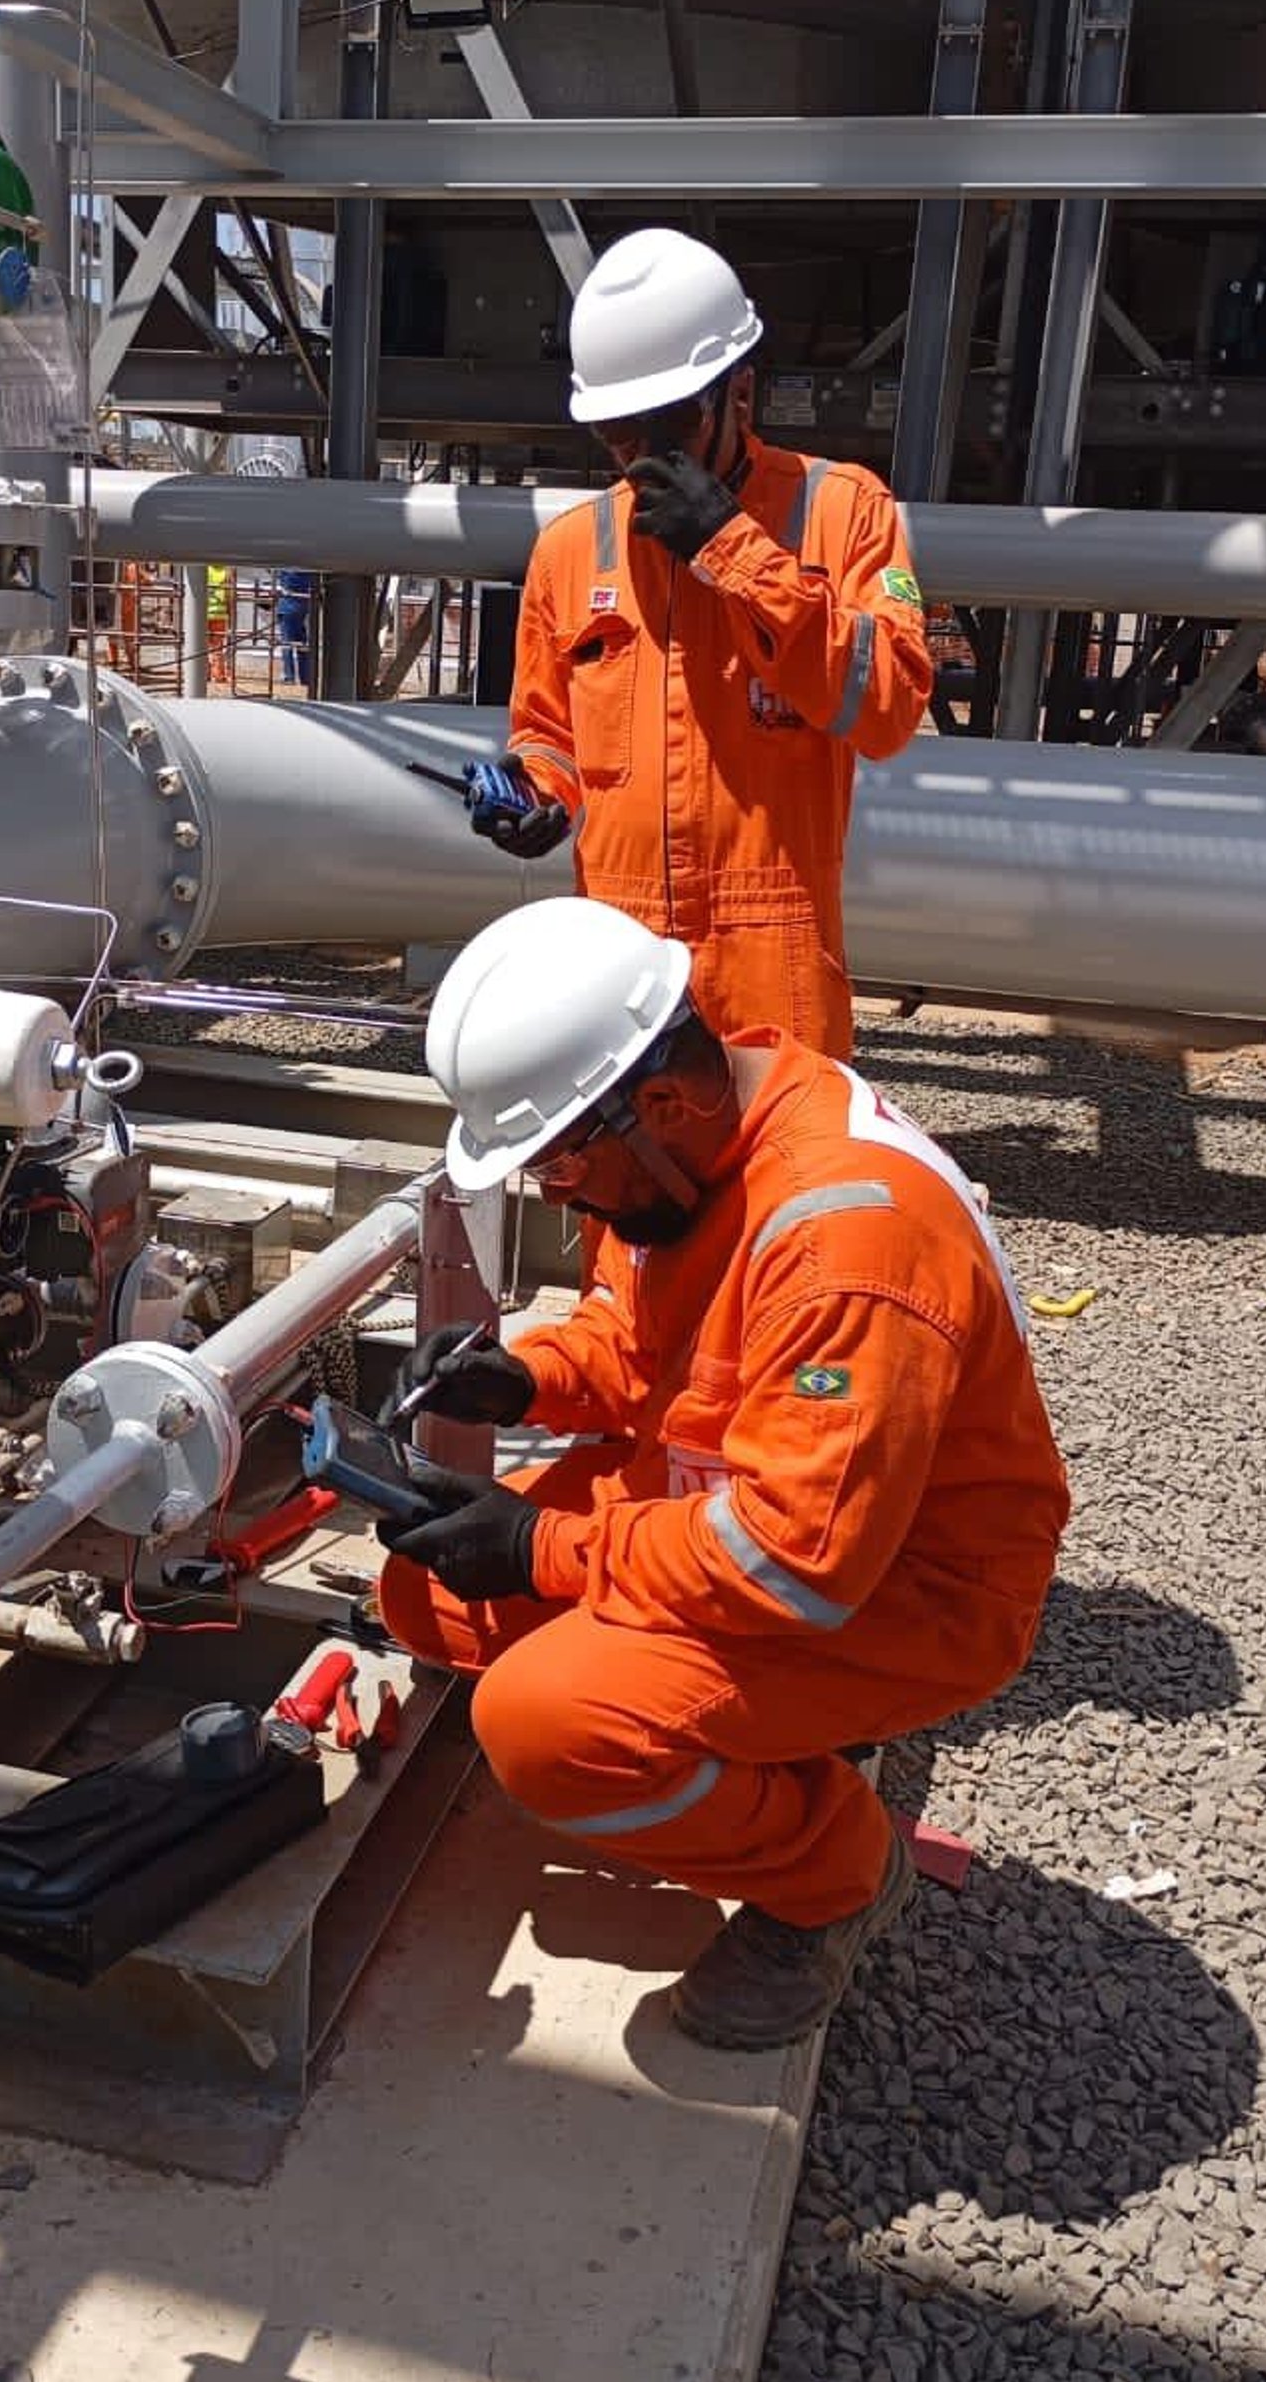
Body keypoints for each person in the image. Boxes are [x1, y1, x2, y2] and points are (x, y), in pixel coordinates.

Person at [372, 896, 1068, 2049]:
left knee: (546, 1721)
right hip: (752, 1508)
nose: (554, 1189)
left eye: (558, 1159)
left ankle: (835, 1875)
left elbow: (800, 1566)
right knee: (428, 1591)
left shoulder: (848, 1234)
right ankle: (768, 1744)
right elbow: (644, 1346)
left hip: (903, 1591)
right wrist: (527, 1377)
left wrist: (545, 1548)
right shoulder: (696, 1144)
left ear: (660, 1101)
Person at [467, 229, 933, 1062]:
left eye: (670, 422)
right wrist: (531, 794)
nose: (643, 453)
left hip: (774, 959)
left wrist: (732, 547)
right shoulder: (573, 551)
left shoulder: (842, 512)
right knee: (622, 1187)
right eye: (618, 431)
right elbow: (552, 738)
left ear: (739, 393)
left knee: (781, 1182)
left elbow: (889, 708)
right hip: (617, 953)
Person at [274, 565, 315, 689]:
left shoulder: (288, 571)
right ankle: (305, 677)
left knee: (287, 645)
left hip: (287, 609)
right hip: (302, 609)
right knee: (301, 644)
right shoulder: (307, 573)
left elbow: (279, 575)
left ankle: (289, 676)